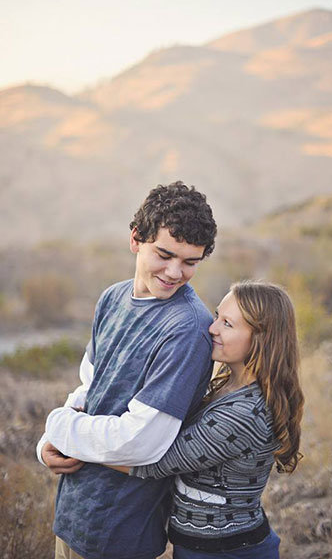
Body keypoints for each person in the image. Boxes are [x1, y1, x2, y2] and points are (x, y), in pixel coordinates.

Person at [37, 181, 217, 559]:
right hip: (72, 512)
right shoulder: (113, 297)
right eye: (164, 254)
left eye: (190, 262)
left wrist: (59, 427)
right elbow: (90, 386)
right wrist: (48, 444)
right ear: (136, 239)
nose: (174, 272)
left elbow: (141, 441)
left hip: (121, 530)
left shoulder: (186, 328)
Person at [107, 280, 305, 559]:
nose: (212, 328)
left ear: (262, 337)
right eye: (217, 316)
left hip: (227, 552)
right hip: (203, 546)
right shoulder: (227, 385)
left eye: (228, 324)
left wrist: (77, 445)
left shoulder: (244, 413)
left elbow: (153, 462)